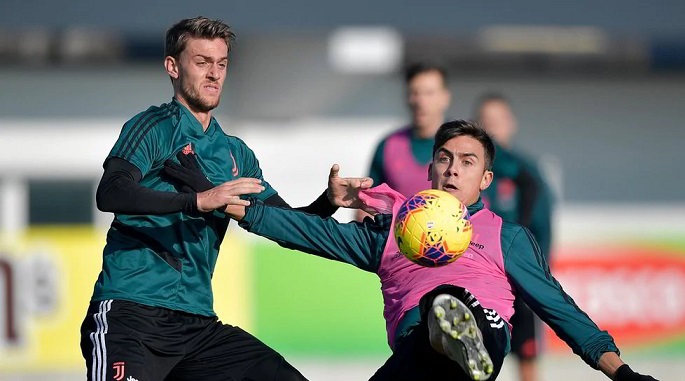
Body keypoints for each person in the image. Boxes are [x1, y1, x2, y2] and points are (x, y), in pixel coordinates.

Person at [168, 120, 658, 381]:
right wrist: (219, 201)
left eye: (467, 162)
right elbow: (299, 230)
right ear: (429, 171)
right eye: (443, 159)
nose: (452, 169)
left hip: (486, 341)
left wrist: (623, 373)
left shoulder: (506, 236)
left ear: (485, 179)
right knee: (426, 326)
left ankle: (464, 330)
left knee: (450, 304)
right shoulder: (391, 232)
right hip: (415, 354)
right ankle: (445, 329)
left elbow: (559, 309)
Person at [79, 16, 372, 381]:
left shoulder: (236, 154)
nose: (214, 74)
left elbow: (286, 226)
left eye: (221, 64)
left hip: (197, 327)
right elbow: (111, 191)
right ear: (173, 67)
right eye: (201, 62)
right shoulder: (154, 126)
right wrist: (197, 201)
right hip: (131, 314)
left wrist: (327, 201)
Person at [476, 93, 555, 381]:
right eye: (486, 122)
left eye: (498, 121)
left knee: (527, 357)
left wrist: (535, 274)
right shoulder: (468, 171)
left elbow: (543, 227)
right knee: (475, 359)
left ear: (511, 124)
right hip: (479, 280)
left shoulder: (527, 172)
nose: (493, 129)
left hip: (518, 280)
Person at [357, 62, 451, 220]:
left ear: (445, 98)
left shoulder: (467, 144)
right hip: (398, 241)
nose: (420, 101)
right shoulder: (388, 146)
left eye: (429, 93)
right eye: (414, 93)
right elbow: (365, 206)